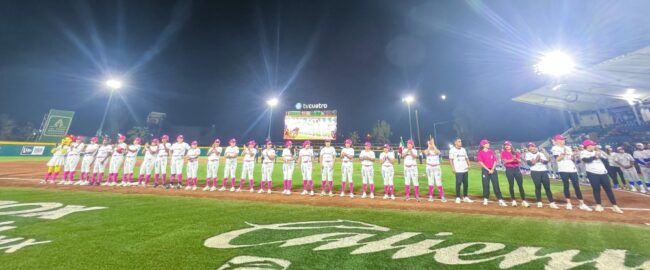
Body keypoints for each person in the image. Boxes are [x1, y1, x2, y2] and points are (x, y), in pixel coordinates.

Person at [580, 140, 624, 214]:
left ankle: (615, 206)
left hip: (603, 172)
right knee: (596, 189)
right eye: (592, 145)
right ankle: (598, 205)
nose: (594, 146)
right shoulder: (583, 152)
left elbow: (606, 161)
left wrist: (600, 157)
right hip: (592, 173)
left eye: (594, 145)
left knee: (608, 189)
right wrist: (595, 157)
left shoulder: (598, 152)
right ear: (587, 146)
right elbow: (586, 160)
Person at [550, 135, 592, 211]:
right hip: (563, 169)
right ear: (557, 141)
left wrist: (574, 156)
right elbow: (558, 159)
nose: (563, 141)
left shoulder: (568, 148)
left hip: (572, 168)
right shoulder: (555, 148)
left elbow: (571, 158)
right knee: (566, 186)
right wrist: (562, 155)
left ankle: (582, 204)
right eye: (561, 139)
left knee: (577, 186)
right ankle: (569, 203)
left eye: (563, 139)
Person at [525, 142, 559, 209]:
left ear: (535, 147)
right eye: (529, 147)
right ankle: (539, 202)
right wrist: (537, 160)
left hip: (543, 171)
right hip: (535, 172)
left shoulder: (540, 153)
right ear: (528, 148)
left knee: (547, 187)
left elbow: (546, 162)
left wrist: (539, 160)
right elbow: (530, 164)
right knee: (538, 187)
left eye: (532, 146)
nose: (531, 148)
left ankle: (551, 202)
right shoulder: (528, 154)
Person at [476, 140, 507, 207]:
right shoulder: (480, 153)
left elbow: (495, 161)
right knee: (485, 185)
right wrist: (488, 169)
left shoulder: (491, 152)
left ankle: (500, 200)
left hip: (493, 170)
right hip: (485, 170)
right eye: (487, 143)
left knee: (496, 185)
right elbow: (481, 162)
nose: (488, 144)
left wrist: (492, 169)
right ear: (483, 145)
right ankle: (485, 199)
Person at [501, 141, 529, 207]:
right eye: (505, 145)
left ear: (511, 145)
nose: (507, 146)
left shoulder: (516, 152)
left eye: (508, 145)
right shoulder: (503, 153)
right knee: (511, 185)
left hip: (517, 169)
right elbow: (505, 161)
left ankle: (523, 200)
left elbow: (519, 161)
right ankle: (513, 200)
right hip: (509, 169)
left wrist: (516, 159)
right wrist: (513, 160)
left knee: (520, 185)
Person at [449, 138, 472, 204]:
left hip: (465, 169)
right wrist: (453, 168)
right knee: (458, 183)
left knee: (466, 184)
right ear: (455, 143)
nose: (460, 142)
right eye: (459, 141)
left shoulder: (463, 149)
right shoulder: (452, 150)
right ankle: (458, 197)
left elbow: (466, 158)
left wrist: (469, 164)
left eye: (461, 141)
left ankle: (465, 197)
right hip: (458, 170)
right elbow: (451, 160)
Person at [424, 138, 446, 202]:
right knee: (430, 182)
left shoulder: (436, 150)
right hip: (429, 168)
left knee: (438, 182)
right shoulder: (426, 150)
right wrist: (429, 145)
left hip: (437, 168)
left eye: (432, 143)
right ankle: (430, 196)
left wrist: (433, 144)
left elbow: (438, 152)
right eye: (430, 143)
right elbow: (426, 153)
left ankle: (442, 196)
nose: (431, 145)